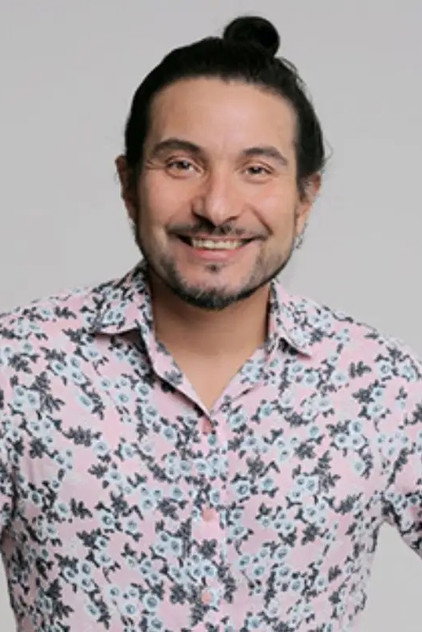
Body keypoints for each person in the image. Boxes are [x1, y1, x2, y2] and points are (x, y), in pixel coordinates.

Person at [0, 14, 420, 632]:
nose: (217, 207)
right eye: (181, 164)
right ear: (128, 185)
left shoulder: (379, 383)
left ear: (305, 198)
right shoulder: (18, 367)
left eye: (257, 170)